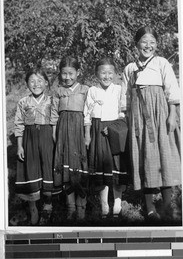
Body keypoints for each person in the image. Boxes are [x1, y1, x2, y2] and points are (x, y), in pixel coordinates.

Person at [122, 26, 181, 222]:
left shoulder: (162, 63)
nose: (148, 46)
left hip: (160, 114)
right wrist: (128, 119)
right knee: (144, 157)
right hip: (139, 117)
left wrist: (172, 115)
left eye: (152, 42)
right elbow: (126, 98)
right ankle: (148, 208)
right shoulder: (129, 68)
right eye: (144, 42)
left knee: (165, 155)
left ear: (156, 44)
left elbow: (172, 90)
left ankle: (166, 205)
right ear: (136, 44)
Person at [84, 57, 129, 218]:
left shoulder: (118, 89)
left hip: (115, 130)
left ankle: (117, 201)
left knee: (117, 165)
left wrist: (113, 128)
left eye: (110, 73)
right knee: (101, 166)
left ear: (116, 74)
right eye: (103, 73)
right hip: (97, 130)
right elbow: (87, 115)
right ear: (96, 74)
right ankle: (104, 203)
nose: (107, 76)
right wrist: (87, 135)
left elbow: (123, 112)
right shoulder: (92, 91)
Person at [14, 67, 58, 225]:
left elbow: (55, 121)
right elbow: (18, 124)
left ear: (46, 83)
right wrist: (19, 146)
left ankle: (47, 206)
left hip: (47, 139)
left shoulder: (52, 101)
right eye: (32, 81)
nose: (36, 84)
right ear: (27, 84)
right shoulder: (23, 102)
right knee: (31, 171)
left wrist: (55, 140)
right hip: (29, 139)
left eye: (40, 81)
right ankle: (33, 209)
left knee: (48, 169)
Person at [50, 56, 89, 220]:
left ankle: (82, 207)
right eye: (64, 74)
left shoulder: (85, 90)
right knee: (65, 169)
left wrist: (87, 135)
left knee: (79, 169)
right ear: (60, 74)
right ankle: (70, 206)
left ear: (78, 73)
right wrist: (54, 132)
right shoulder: (58, 91)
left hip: (79, 132)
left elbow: (88, 114)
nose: (67, 77)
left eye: (71, 73)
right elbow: (53, 115)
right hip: (63, 133)